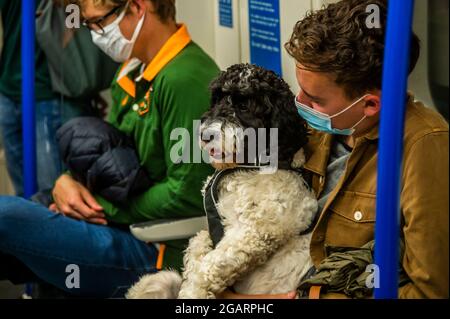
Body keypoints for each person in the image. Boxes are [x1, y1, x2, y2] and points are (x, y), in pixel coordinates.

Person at [221, 0, 448, 299]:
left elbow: (429, 292)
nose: (300, 102)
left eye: (315, 100)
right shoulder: (320, 130)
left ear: (369, 105)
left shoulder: (423, 148)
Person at [0, 0, 219, 298]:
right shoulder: (132, 71)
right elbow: (102, 151)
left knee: (6, 216)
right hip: (122, 224)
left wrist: (103, 207)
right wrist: (68, 181)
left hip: (156, 248)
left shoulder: (186, 79)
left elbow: (188, 195)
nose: (95, 34)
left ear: (139, 7)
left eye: (99, 22)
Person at [0, 0, 101, 197]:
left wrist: (81, 81)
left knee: (54, 192)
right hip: (9, 88)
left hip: (51, 92)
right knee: (24, 198)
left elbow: (78, 20)